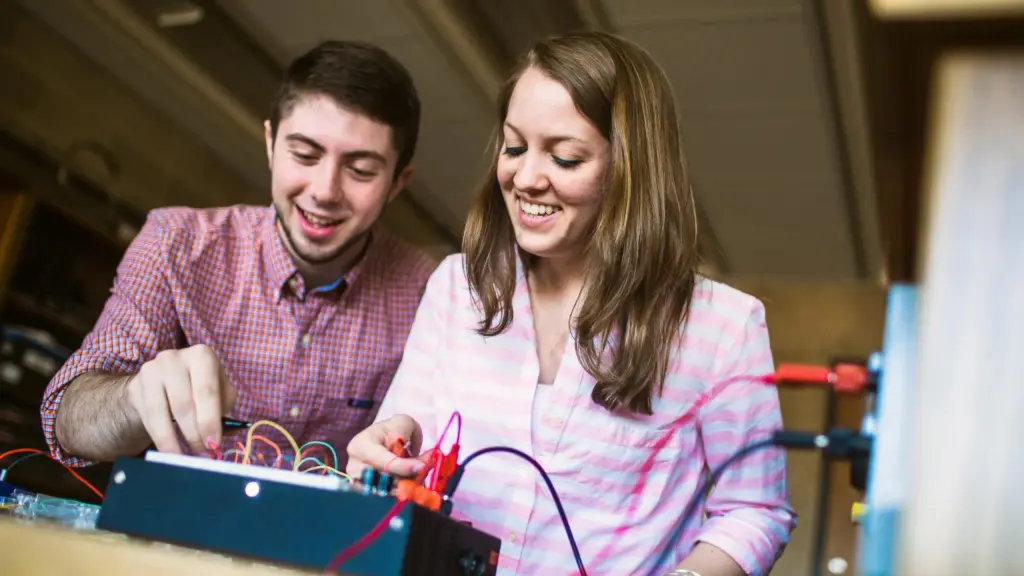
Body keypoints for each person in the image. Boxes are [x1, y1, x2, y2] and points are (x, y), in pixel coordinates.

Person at [346, 32, 796, 576]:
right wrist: (383, 453)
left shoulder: (723, 326)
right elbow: (406, 430)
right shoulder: (455, 287)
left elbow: (755, 511)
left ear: (630, 169)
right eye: (514, 148)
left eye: (564, 157)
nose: (526, 178)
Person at [40, 40, 437, 470]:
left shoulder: (431, 294)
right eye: (304, 154)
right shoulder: (174, 242)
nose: (324, 191)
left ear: (398, 182)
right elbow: (66, 419)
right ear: (270, 143)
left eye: (361, 170)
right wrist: (133, 398)